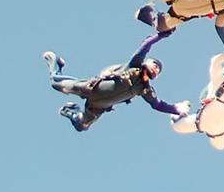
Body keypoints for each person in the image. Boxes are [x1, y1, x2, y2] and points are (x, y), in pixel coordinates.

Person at [43, 31, 183, 132]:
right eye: (155, 65)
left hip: (97, 106)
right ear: (147, 62)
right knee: (55, 83)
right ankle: (56, 63)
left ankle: (71, 111)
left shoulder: (145, 90)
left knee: (82, 126)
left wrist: (177, 110)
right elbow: (145, 46)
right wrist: (161, 35)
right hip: (89, 88)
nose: (156, 69)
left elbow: (158, 105)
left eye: (158, 70)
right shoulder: (134, 66)